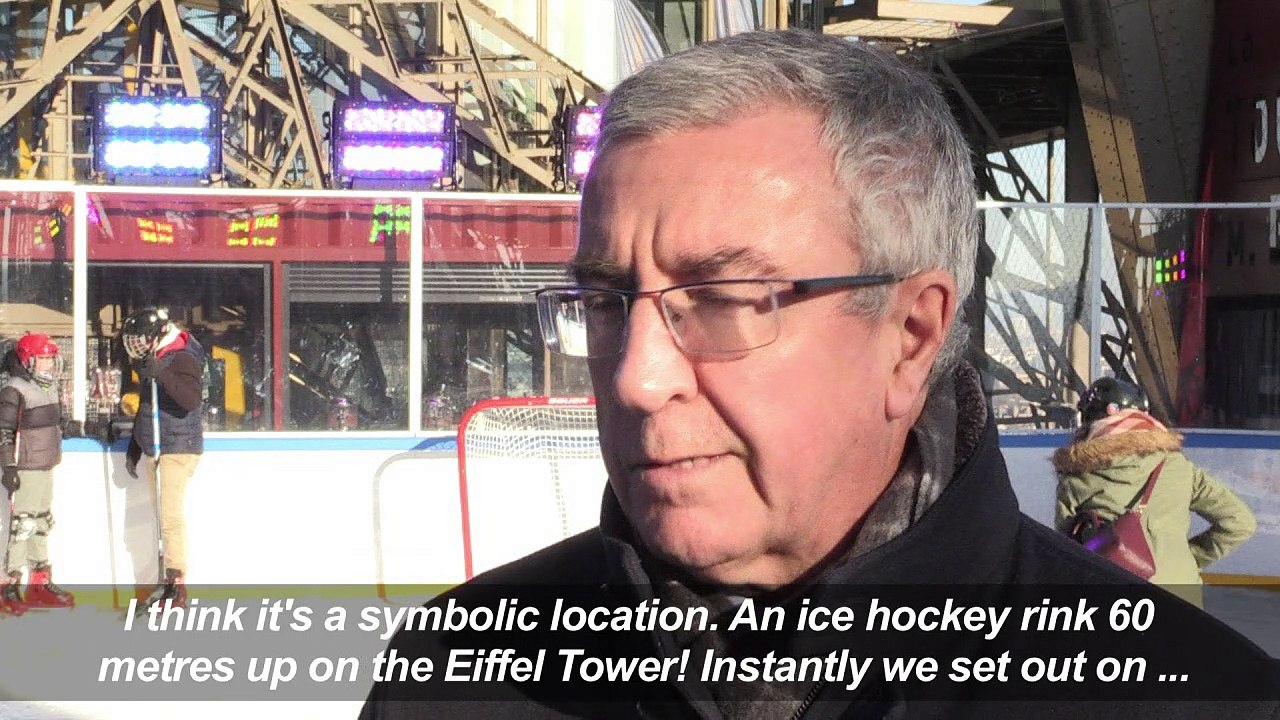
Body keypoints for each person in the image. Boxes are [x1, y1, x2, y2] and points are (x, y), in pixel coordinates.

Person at [363, 30, 1278, 717]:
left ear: (911, 336)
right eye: (606, 302)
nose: (638, 378)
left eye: (724, 298)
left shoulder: (1197, 700)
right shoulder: (453, 676)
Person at [1054, 377, 1256, 607]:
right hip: (1182, 599)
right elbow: (1240, 522)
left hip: (1114, 604)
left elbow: (1067, 553)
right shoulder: (1178, 466)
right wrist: (1187, 558)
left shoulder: (1076, 478)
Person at [121, 307, 205, 611]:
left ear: (157, 335)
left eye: (142, 339)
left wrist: (162, 373)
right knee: (160, 515)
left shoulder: (182, 356)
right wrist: (135, 442)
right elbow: (148, 404)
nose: (138, 346)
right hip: (157, 445)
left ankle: (176, 582)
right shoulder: (152, 359)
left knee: (170, 516)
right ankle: (164, 578)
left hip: (178, 447)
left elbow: (190, 399)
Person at [0, 334, 76, 613]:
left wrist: (83, 428)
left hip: (46, 465)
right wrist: (8, 467)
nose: (47, 364)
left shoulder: (49, 387)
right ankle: (10, 584)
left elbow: (60, 422)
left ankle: (39, 582)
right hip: (26, 466)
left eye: (49, 359)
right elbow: (5, 432)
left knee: (42, 522)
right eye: (41, 358)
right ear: (27, 360)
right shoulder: (14, 389)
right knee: (23, 526)